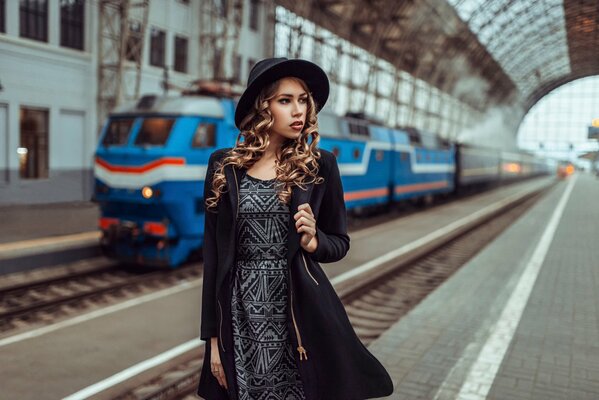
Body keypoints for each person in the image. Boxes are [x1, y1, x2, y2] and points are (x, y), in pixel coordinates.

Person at [196, 57, 393, 400]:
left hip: (297, 312)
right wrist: (212, 340)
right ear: (263, 107)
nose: (298, 110)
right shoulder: (223, 166)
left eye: (303, 100)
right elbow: (213, 258)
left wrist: (315, 241)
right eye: (285, 101)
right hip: (239, 313)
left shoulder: (320, 166)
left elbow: (340, 242)